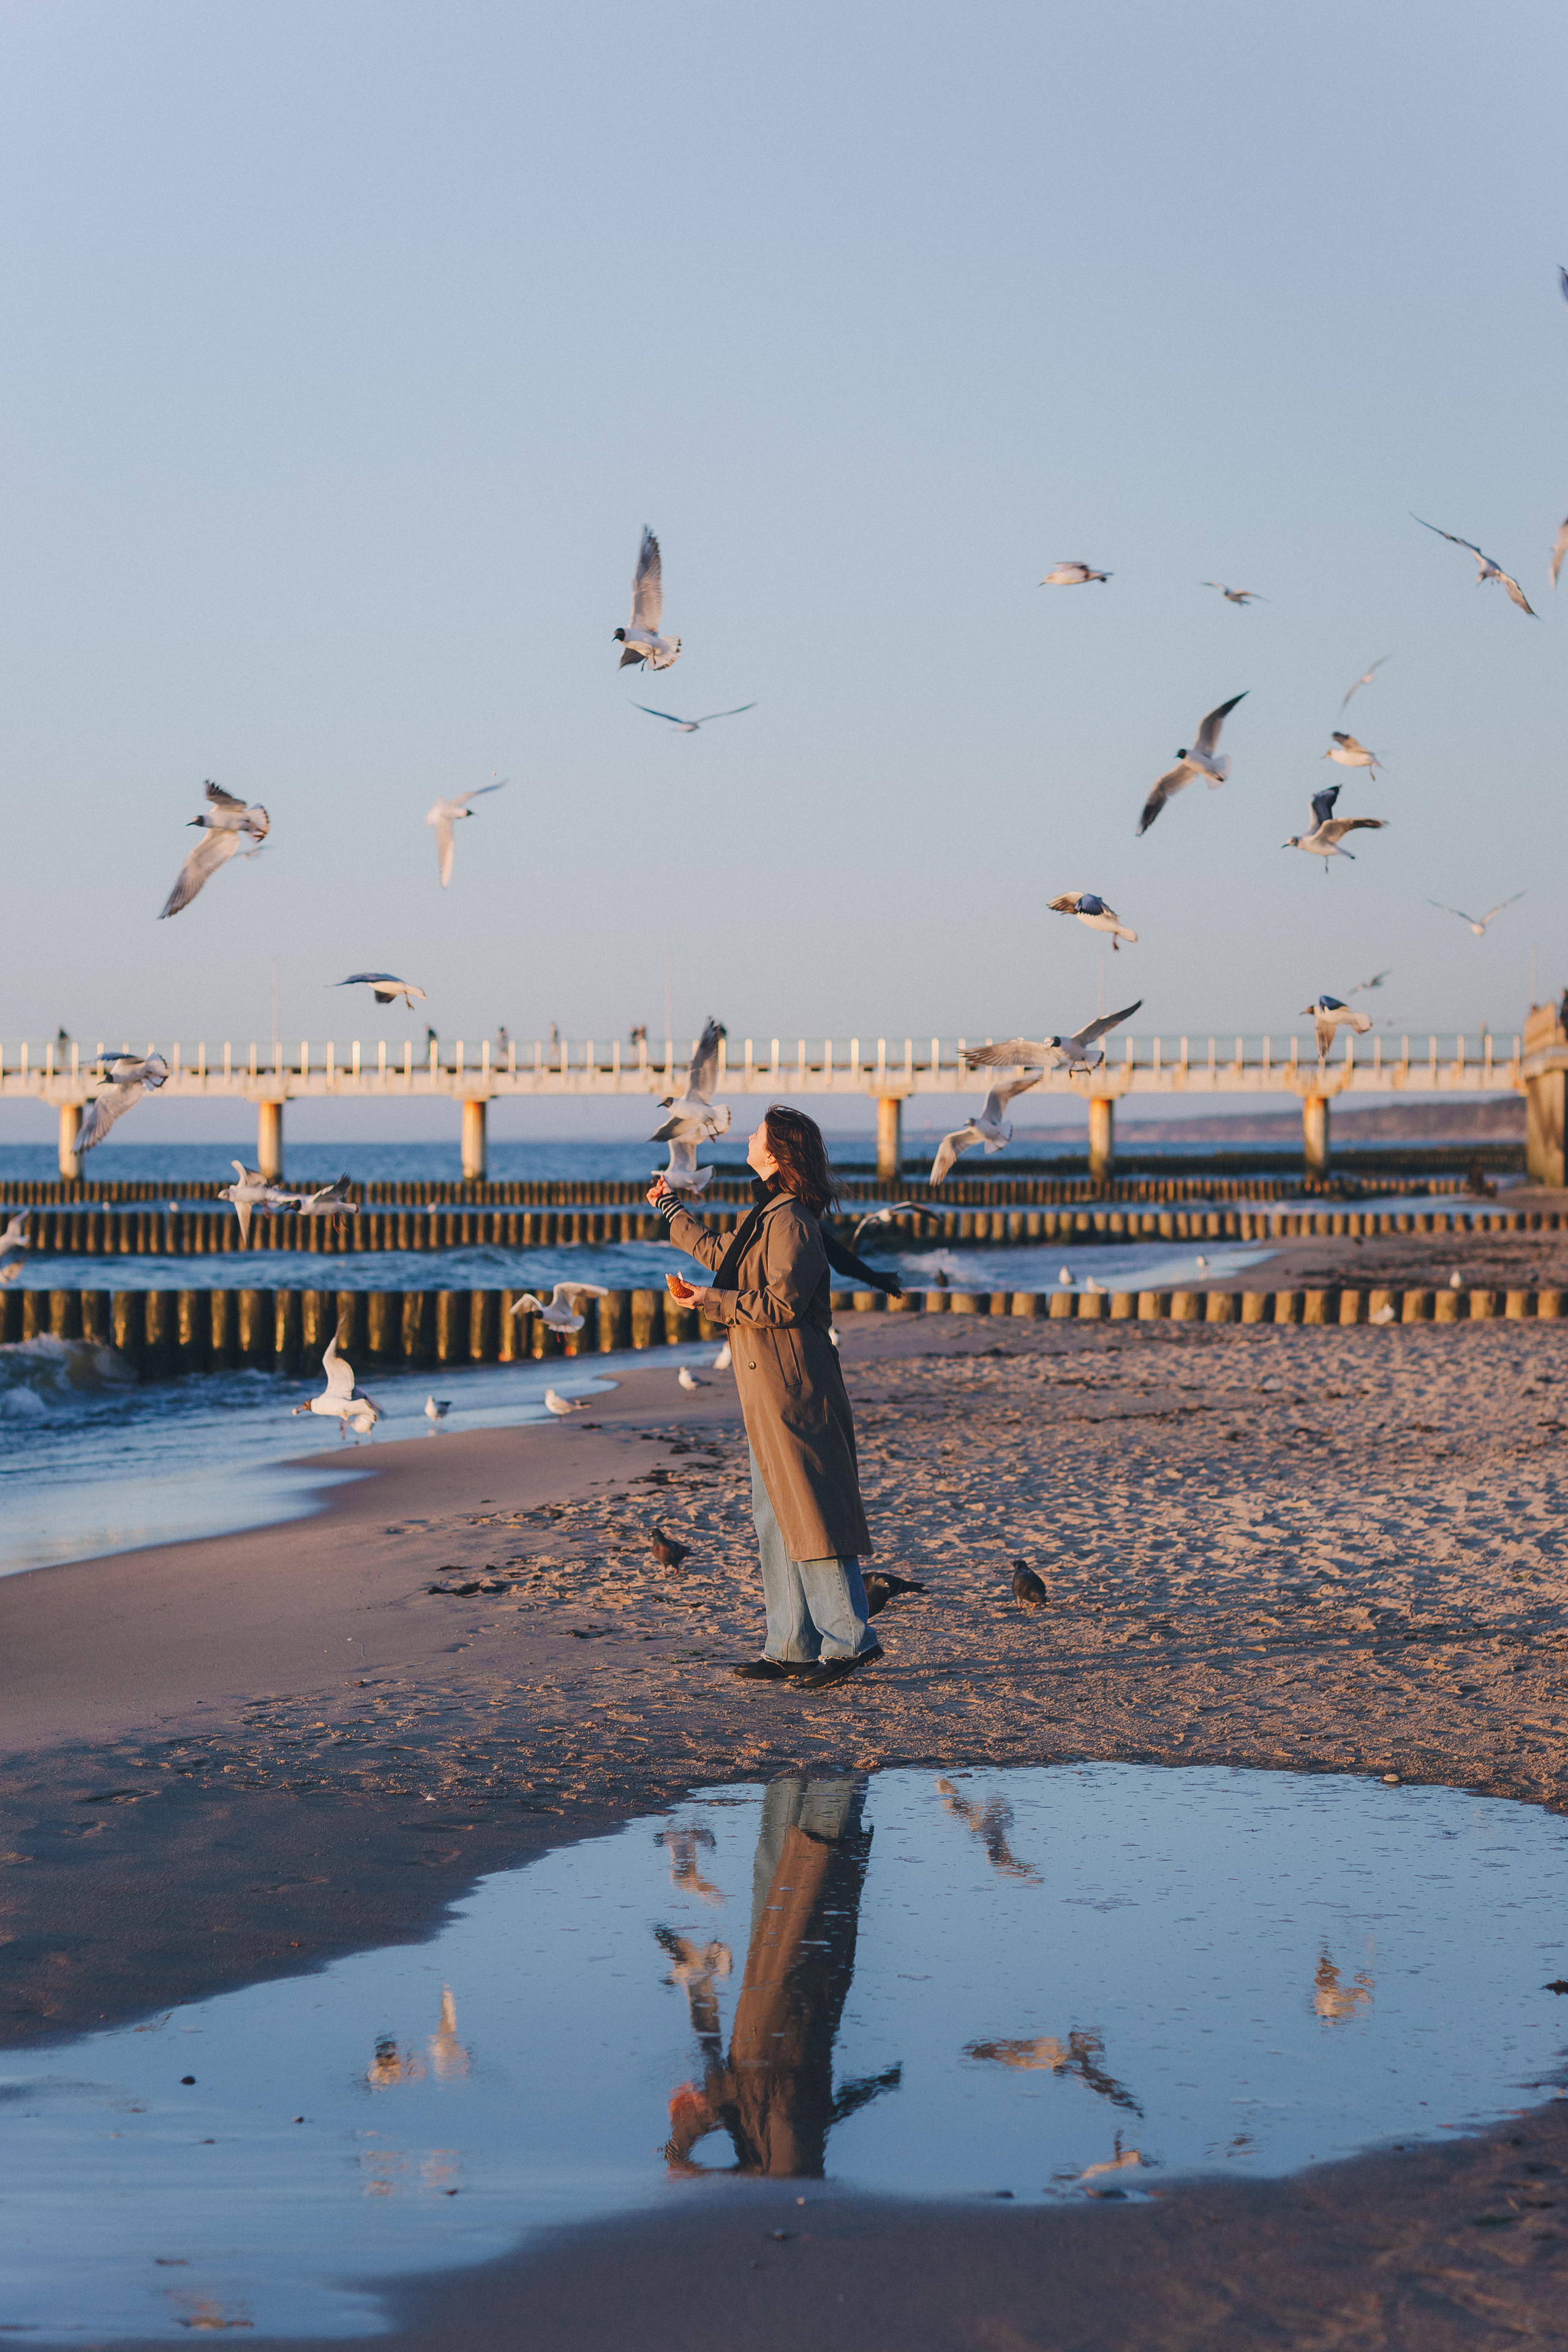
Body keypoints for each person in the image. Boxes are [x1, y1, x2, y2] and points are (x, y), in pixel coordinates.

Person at [647, 1104, 878, 1689]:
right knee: (774, 1517)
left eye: (757, 1134)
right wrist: (671, 1209)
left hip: (796, 1387)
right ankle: (792, 1645)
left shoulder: (794, 1220)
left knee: (812, 1512)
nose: (747, 1137)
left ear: (777, 1153)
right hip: (766, 1387)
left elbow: (782, 1304)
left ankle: (850, 1641)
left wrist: (712, 1302)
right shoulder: (769, 1214)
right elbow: (722, 1254)